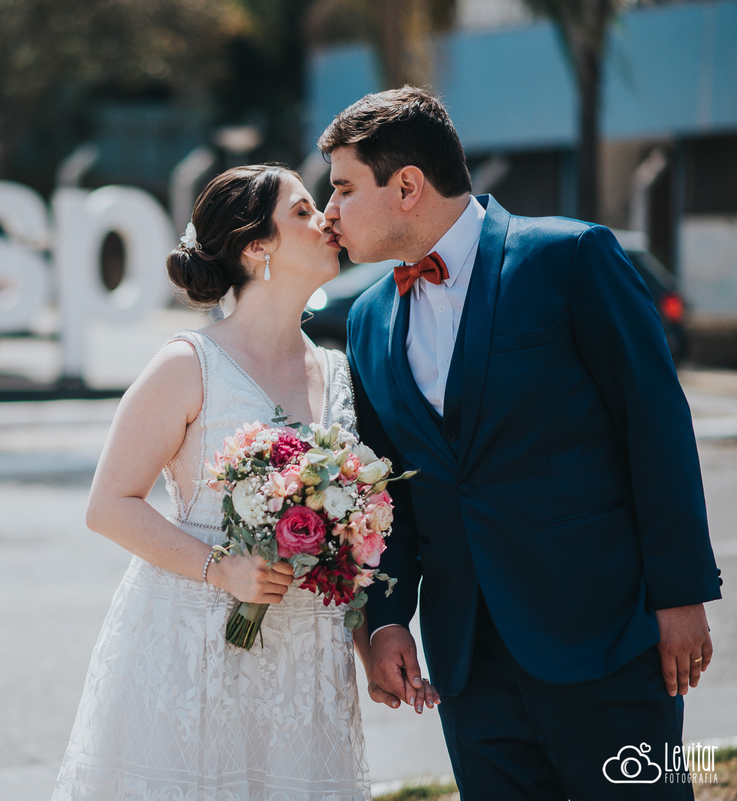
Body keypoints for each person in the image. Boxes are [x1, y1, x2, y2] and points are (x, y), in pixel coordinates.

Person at [323, 86, 723, 800]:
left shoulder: (571, 258)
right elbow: (389, 494)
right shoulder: (367, 321)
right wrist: (386, 621)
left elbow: (655, 424)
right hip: (469, 666)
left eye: (344, 189)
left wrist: (682, 594)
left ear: (407, 186)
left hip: (608, 641)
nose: (330, 213)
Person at [52, 164, 438, 801]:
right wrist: (221, 569)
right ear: (257, 247)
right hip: (196, 648)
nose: (328, 220)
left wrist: (369, 646)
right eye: (305, 211)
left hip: (307, 662)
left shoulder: (340, 374)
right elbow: (109, 506)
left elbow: (350, 537)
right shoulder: (187, 364)